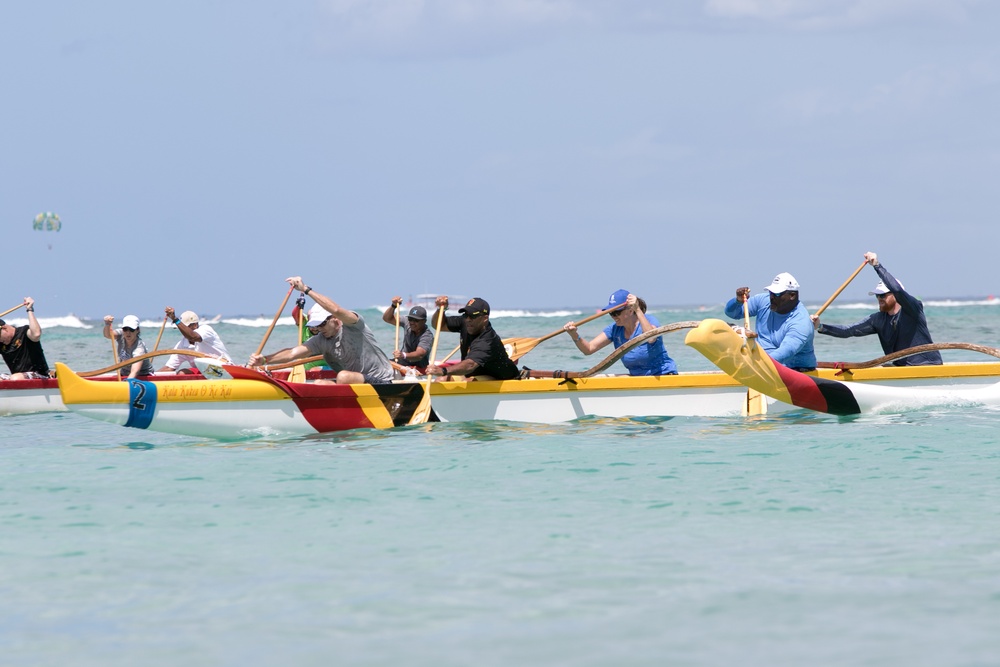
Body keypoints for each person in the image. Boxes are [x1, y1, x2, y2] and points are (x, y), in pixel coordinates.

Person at [249, 277, 394, 385]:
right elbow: (293, 353)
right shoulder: (321, 340)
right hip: (358, 384)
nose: (319, 329)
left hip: (383, 381)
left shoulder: (354, 325)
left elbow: (336, 309)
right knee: (319, 383)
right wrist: (264, 359)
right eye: (316, 326)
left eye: (322, 324)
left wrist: (306, 290)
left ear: (335, 319)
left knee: (343, 376)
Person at [811, 252, 942, 366]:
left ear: (895, 296)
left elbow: (897, 289)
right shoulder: (878, 320)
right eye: (877, 295)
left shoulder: (912, 309)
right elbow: (848, 331)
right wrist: (820, 326)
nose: (879, 298)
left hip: (927, 365)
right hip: (901, 368)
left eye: (883, 295)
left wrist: (876, 265)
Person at [562, 289, 678, 376]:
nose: (614, 317)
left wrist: (638, 309)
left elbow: (651, 338)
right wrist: (574, 334)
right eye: (611, 313)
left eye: (617, 313)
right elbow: (589, 349)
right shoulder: (614, 329)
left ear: (630, 310)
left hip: (663, 376)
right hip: (637, 379)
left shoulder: (649, 321)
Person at [725, 272, 816, 371]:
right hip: (764, 364)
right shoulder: (763, 301)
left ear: (792, 295)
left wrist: (754, 365)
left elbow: (785, 352)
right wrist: (738, 301)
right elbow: (732, 313)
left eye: (777, 294)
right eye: (771, 292)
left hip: (796, 369)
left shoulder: (801, 323)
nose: (771, 297)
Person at [424, 297, 520, 380]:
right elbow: (439, 325)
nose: (468, 319)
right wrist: (441, 309)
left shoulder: (487, 340)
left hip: (497, 377)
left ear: (485, 318)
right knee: (440, 380)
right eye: (466, 315)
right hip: (473, 374)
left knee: (468, 381)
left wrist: (442, 370)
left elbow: (470, 365)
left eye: (473, 316)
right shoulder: (465, 322)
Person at [157, 307, 233, 373]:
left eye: (185, 328)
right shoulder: (181, 345)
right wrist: (149, 376)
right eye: (180, 329)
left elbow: (193, 337)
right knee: (182, 373)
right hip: (205, 372)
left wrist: (175, 319)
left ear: (195, 325)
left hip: (224, 368)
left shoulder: (206, 330)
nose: (182, 331)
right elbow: (169, 368)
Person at [0, 297, 50, 380]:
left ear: (4, 328)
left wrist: (29, 309)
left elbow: (36, 334)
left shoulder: (24, 332)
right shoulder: (1, 344)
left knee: (15, 378)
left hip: (40, 376)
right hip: (17, 378)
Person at [381, 297, 434, 372]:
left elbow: (419, 354)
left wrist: (403, 355)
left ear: (424, 321)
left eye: (416, 320)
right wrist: (393, 306)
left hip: (418, 366)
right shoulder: (407, 322)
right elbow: (387, 318)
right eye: (410, 319)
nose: (412, 322)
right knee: (380, 362)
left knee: (386, 363)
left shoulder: (427, 335)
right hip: (402, 362)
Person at [103, 314, 154, 379]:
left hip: (142, 376)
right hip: (124, 373)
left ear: (137, 330)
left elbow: (135, 371)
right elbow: (108, 335)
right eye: (125, 329)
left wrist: (126, 384)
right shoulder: (121, 334)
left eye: (131, 329)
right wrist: (107, 324)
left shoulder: (139, 348)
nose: (128, 332)